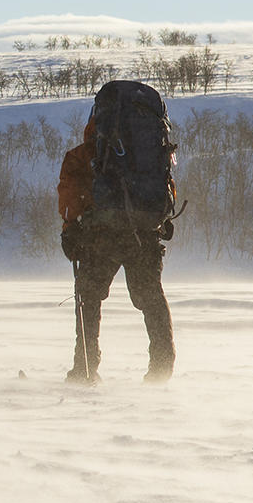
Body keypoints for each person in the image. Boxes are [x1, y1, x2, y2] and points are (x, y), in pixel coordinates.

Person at [57, 82, 177, 384]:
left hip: (102, 235)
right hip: (144, 232)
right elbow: (166, 185)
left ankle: (85, 368)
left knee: (89, 296)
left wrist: (70, 229)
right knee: (150, 297)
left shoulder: (86, 154)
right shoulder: (149, 150)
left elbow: (70, 194)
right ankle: (162, 368)